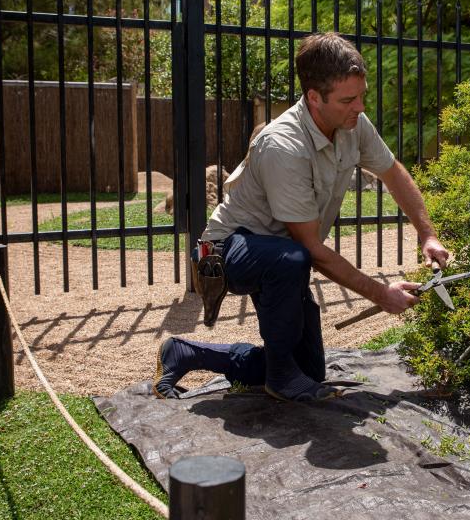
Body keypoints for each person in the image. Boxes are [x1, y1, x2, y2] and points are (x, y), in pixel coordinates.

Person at [154, 32, 450, 402]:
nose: (359, 107)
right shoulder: (284, 145)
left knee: (310, 369)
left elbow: (393, 173)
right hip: (220, 251)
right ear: (314, 97)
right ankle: (280, 378)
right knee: (292, 260)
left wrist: (428, 233)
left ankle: (187, 353)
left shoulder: (352, 123)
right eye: (348, 100)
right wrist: (381, 294)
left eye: (361, 96)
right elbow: (309, 247)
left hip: (277, 253)